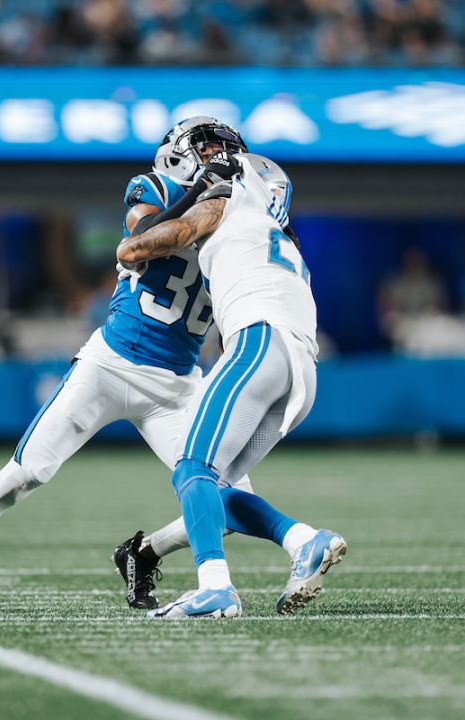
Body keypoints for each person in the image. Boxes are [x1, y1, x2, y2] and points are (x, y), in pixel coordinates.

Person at [0, 117, 265, 613]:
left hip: (179, 385)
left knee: (229, 501)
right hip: (112, 364)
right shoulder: (156, 188)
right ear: (180, 154)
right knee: (22, 475)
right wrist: (196, 197)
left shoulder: (240, 216)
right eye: (208, 150)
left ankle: (142, 552)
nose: (217, 159)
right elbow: (142, 235)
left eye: (225, 152)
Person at [117, 153, 346, 619]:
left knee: (191, 469)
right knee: (215, 487)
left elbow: (143, 245)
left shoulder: (230, 201)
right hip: (300, 367)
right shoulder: (280, 236)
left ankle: (215, 587)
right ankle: (305, 540)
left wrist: (183, 200)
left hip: (259, 345)